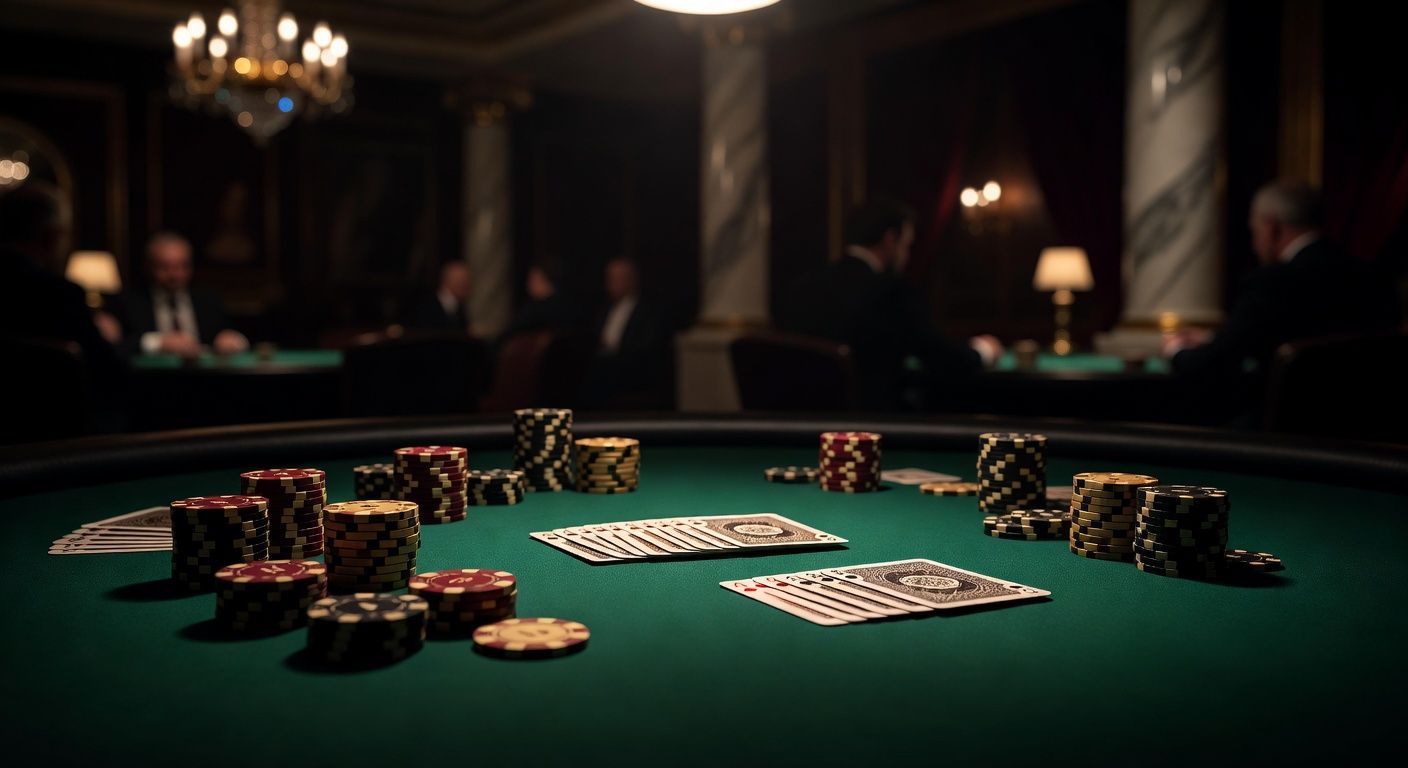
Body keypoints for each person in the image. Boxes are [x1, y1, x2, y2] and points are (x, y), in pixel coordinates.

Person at [1162, 180, 1400, 414]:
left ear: (1271, 227)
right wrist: (1213, 337)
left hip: (1284, 433)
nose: (1254, 244)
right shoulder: (1370, 276)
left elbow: (1214, 364)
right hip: (1365, 422)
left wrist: (1177, 351)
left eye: (1254, 231)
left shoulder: (1274, 281)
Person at [779, 198, 1003, 410]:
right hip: (875, 429)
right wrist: (982, 351)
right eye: (907, 245)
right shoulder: (891, 292)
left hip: (805, 425)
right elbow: (940, 357)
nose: (906, 256)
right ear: (890, 239)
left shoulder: (802, 288)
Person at [0, 182, 127, 436]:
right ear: (51, 236)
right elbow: (109, 374)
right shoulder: (59, 293)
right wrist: (109, 339)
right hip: (55, 440)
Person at [118, 232, 248, 358]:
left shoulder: (207, 300)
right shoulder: (130, 302)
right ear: (149, 266)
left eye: (183, 266)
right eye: (165, 267)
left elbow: (231, 334)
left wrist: (232, 340)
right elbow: (118, 345)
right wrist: (158, 342)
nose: (175, 275)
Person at [581, 257, 674, 408]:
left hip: (632, 369)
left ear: (631, 280)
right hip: (601, 363)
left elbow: (648, 348)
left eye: (617, 279)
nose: (610, 284)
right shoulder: (603, 308)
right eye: (609, 278)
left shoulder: (649, 311)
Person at [501, 262, 579, 342]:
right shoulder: (571, 309)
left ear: (540, 278)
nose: (527, 283)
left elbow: (508, 336)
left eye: (531, 278)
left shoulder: (535, 311)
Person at [406, 260, 472, 333]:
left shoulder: (458, 307)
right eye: (461, 281)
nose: (466, 286)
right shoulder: (427, 306)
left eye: (467, 281)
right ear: (447, 281)